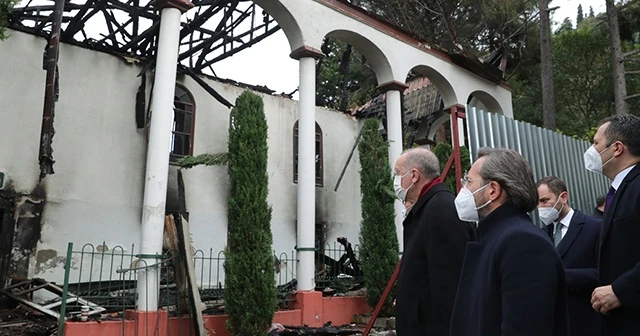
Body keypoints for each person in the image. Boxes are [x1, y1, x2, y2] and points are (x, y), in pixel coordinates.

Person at [450, 148, 568, 336]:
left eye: (469, 182)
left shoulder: (522, 242)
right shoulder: (495, 237)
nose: (463, 189)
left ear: (493, 190)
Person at [392, 147, 473, 336]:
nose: (395, 180)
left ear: (414, 176)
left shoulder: (441, 209)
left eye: (397, 173)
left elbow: (449, 287)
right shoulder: (428, 207)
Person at [588, 115, 640, 335]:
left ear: (617, 148)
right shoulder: (621, 190)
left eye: (595, 143)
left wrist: (621, 290)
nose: (591, 150)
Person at [537, 176, 602, 336]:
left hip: (585, 321)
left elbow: (604, 273)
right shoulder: (540, 234)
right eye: (537, 203)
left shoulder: (595, 228)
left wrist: (559, 276)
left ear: (563, 197)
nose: (540, 207)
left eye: (545, 201)